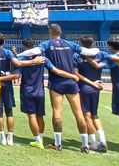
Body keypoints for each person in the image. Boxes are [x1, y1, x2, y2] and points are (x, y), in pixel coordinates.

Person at [16, 23, 100, 152]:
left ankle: (58, 143)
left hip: (56, 83)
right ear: (61, 32)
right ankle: (85, 145)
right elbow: (89, 51)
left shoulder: (46, 44)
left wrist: (18, 55)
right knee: (79, 114)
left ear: (50, 31)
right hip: (71, 82)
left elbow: (33, 51)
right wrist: (97, 50)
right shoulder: (70, 44)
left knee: (57, 113)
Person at [11, 38, 80, 149]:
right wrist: (72, 76)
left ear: (24, 47)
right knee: (40, 115)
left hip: (27, 91)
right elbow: (57, 71)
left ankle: (38, 141)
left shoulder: (22, 59)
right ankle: (41, 138)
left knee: (31, 116)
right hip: (40, 91)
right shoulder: (43, 59)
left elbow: (17, 75)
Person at [73, 36, 108, 152]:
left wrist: (91, 83)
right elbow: (100, 66)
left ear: (81, 43)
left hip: (84, 88)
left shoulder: (77, 56)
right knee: (95, 115)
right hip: (96, 88)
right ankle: (103, 141)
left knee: (87, 116)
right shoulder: (101, 54)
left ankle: (93, 142)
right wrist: (94, 83)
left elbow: (77, 74)